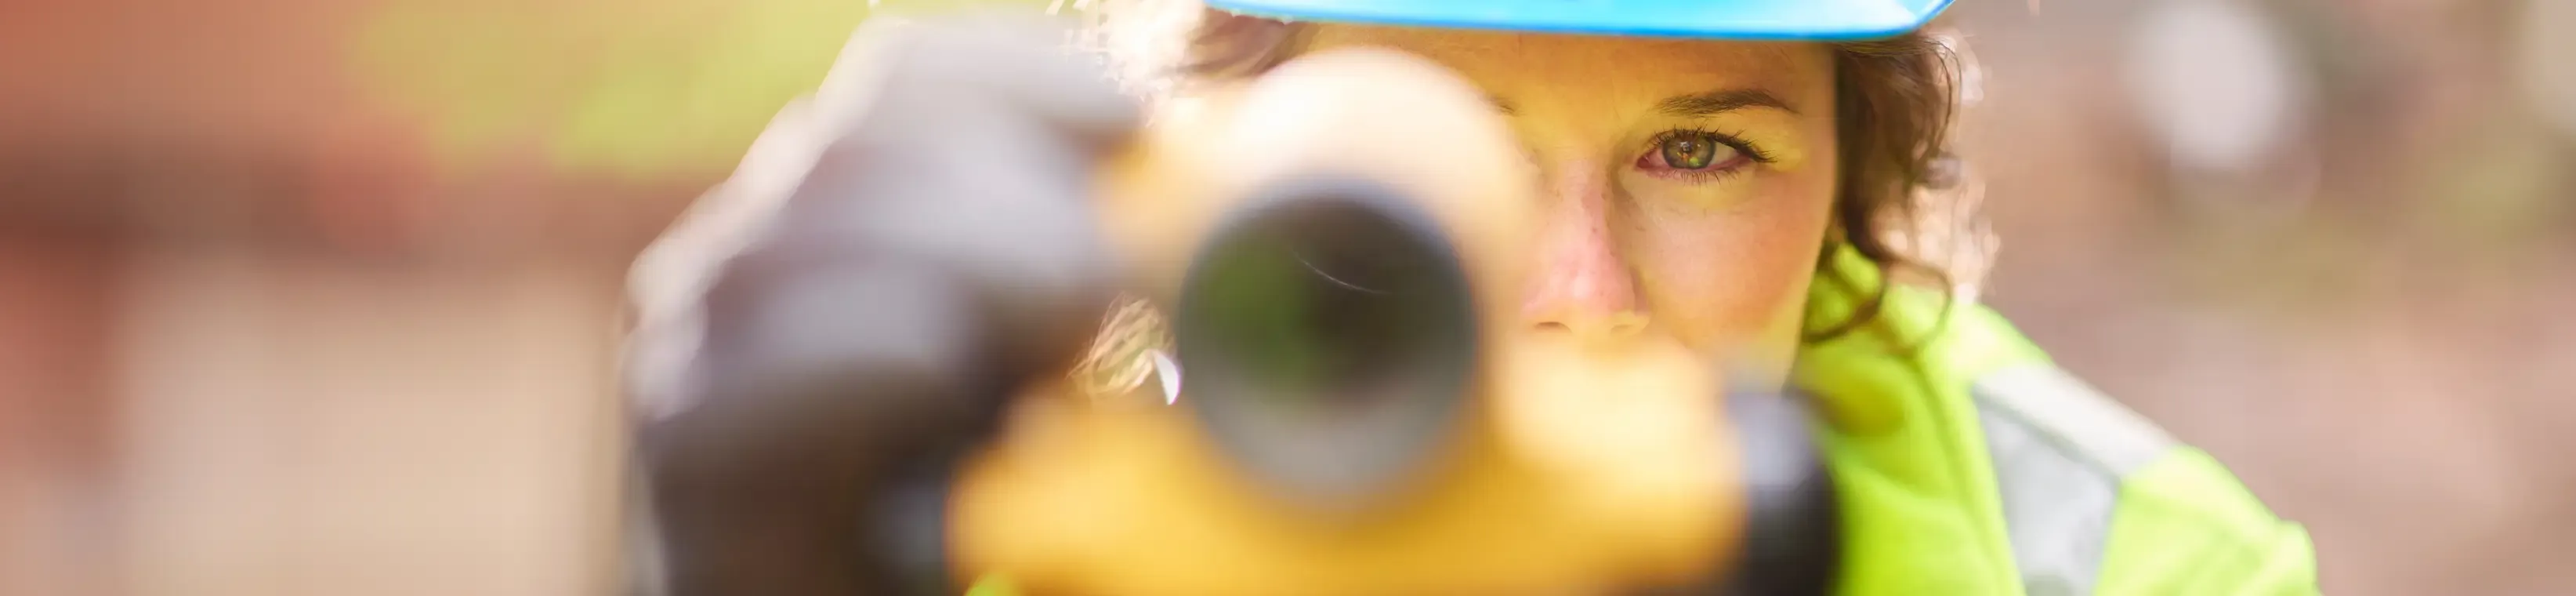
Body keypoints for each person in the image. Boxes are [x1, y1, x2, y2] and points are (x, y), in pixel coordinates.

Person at [628, 1, 2320, 594]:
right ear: (1196, 165)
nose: (1579, 294)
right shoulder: (973, 522)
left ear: (1856, 184)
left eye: (1702, 154)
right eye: (1446, 158)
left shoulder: (2130, 567)